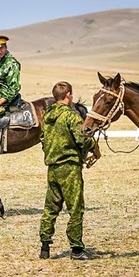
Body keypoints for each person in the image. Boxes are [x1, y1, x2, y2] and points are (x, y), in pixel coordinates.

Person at [38, 81, 97, 260]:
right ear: (69, 95)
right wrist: (94, 146)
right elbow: (82, 140)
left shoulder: (47, 116)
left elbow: (42, 139)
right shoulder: (72, 117)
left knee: (51, 208)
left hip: (53, 168)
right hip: (70, 167)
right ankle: (77, 249)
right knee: (75, 208)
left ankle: (45, 247)